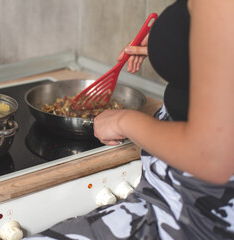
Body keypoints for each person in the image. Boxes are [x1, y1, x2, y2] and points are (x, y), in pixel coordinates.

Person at [24, 0, 234, 239]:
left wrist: (124, 120)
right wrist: (173, 42)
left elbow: (210, 157)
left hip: (197, 214)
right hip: (168, 196)